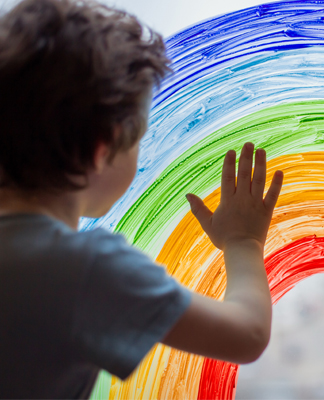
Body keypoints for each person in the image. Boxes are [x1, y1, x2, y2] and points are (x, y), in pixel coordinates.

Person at [0, 0, 284, 398]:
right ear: (103, 150)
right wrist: (244, 242)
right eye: (139, 140)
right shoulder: (84, 270)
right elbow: (247, 334)